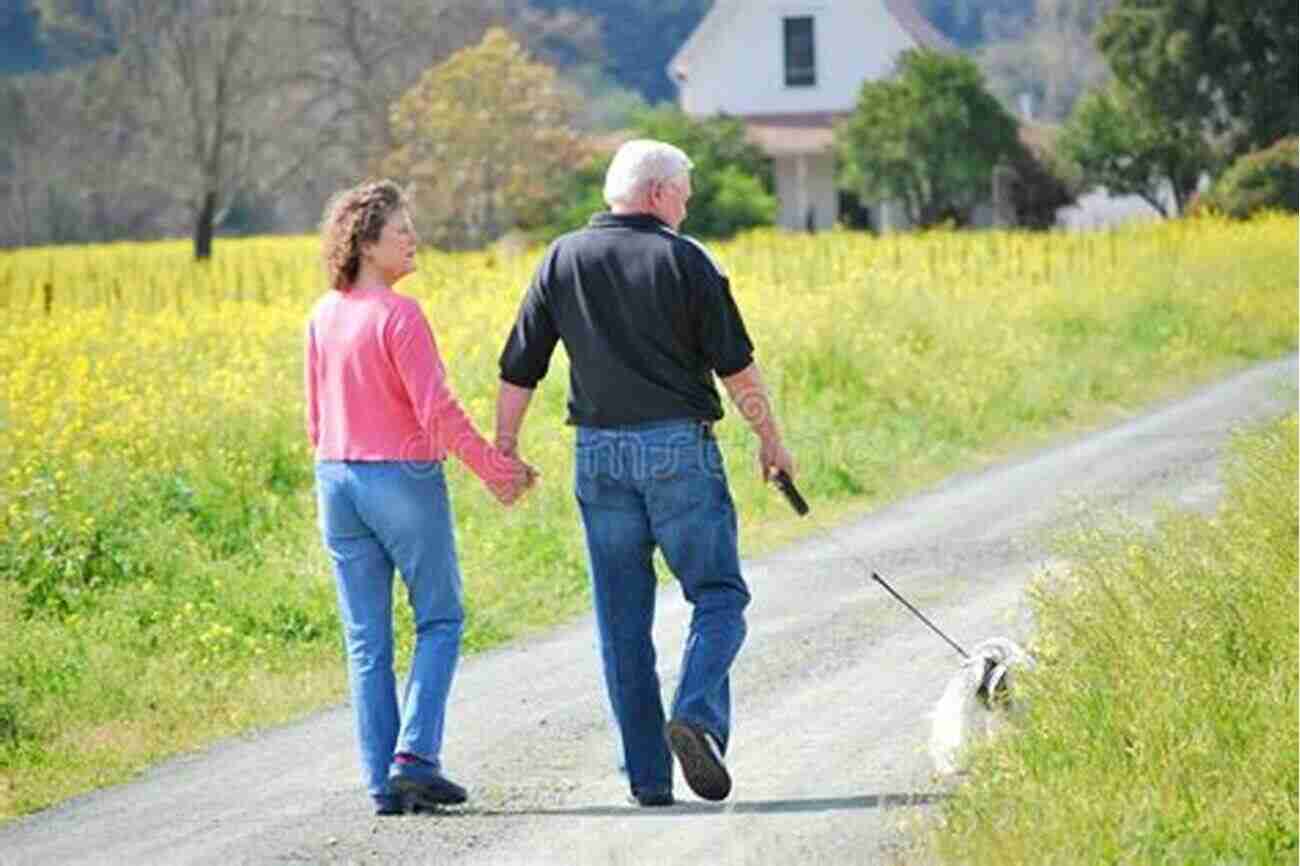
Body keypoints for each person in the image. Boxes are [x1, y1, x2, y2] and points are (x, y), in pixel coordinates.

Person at [493, 140, 795, 806]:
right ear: (657, 193)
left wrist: (505, 448)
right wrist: (770, 439)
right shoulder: (686, 259)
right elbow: (734, 364)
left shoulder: (561, 257)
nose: (686, 207)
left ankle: (648, 780)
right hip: (677, 450)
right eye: (683, 194)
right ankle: (696, 716)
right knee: (718, 597)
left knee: (621, 622)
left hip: (597, 455)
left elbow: (520, 367)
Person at [306, 179, 535, 816]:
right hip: (400, 479)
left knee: (366, 640)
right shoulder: (400, 315)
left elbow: (315, 420)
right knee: (440, 618)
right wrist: (495, 469)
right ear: (366, 243)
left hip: (336, 480)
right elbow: (437, 411)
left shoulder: (323, 313)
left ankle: (383, 784)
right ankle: (415, 757)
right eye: (400, 229)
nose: (413, 239)